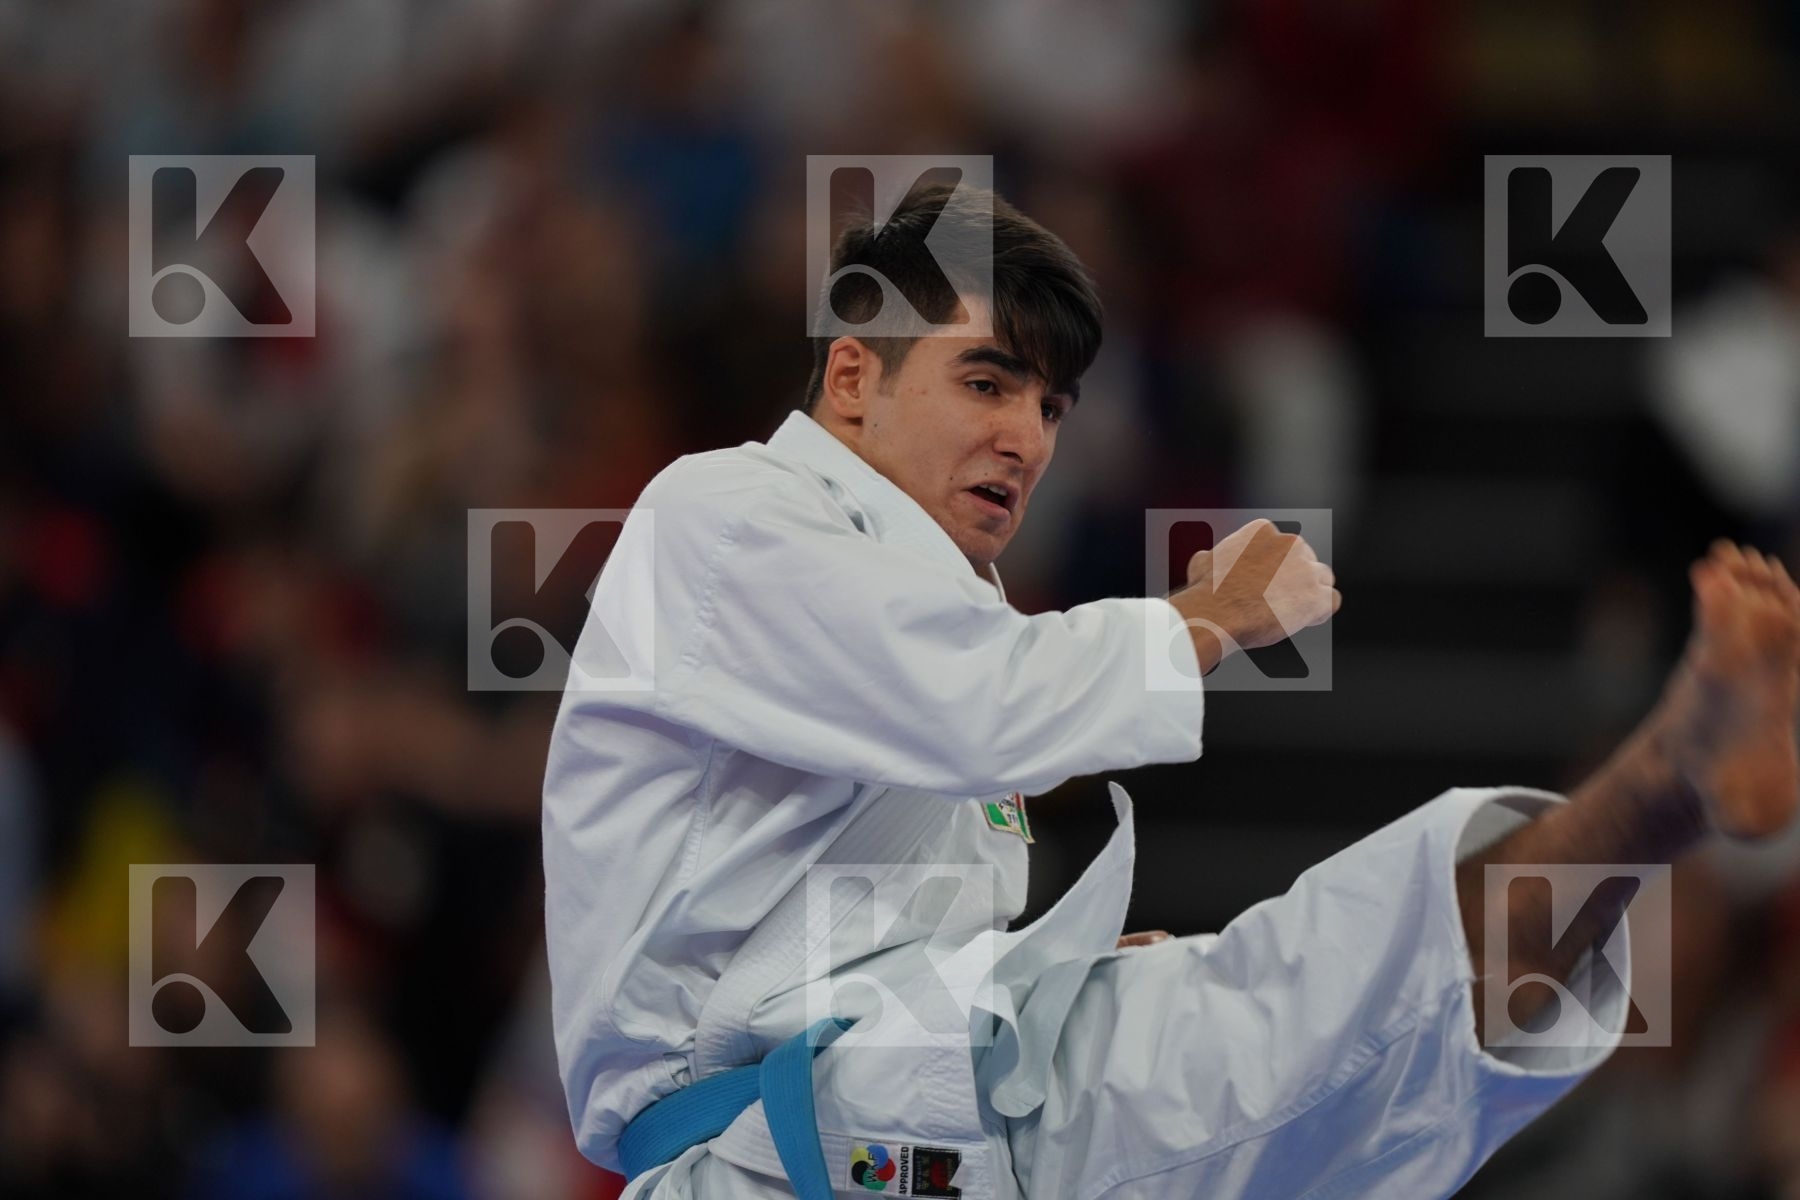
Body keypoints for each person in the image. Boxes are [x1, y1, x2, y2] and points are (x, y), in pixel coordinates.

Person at [542, 183, 1800, 1199]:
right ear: (856, 378)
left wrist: (1023, 975)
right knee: (1306, 1008)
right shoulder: (728, 516)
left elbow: (881, 881)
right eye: (987, 382)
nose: (1029, 439)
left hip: (919, 1106)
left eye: (1052, 404)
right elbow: (985, 707)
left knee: (1347, 1031)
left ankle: (1670, 784)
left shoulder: (937, 609)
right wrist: (1205, 616)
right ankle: (1668, 776)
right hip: (784, 1149)